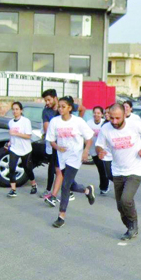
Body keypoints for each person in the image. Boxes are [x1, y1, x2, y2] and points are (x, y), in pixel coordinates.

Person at [96, 103, 141, 240]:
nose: (114, 122)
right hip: (117, 171)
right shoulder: (106, 128)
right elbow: (99, 144)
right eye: (112, 118)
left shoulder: (134, 125)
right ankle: (130, 226)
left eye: (118, 118)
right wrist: (100, 151)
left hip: (135, 169)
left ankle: (133, 225)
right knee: (120, 206)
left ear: (124, 115)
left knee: (126, 199)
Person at [45, 96, 96, 228]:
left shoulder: (78, 122)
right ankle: (87, 191)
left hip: (75, 156)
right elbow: (51, 140)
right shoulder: (54, 122)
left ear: (69, 108)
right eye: (59, 106)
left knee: (65, 185)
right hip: (62, 156)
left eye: (63, 106)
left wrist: (86, 151)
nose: (60, 109)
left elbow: (89, 137)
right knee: (70, 184)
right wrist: (57, 147)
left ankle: (61, 216)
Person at [41, 88, 85, 206]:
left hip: (69, 148)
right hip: (56, 145)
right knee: (59, 171)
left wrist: (78, 123)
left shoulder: (67, 106)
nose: (47, 103)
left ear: (55, 98)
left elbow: (82, 108)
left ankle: (55, 196)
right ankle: (70, 190)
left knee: (59, 171)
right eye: (45, 101)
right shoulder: (47, 112)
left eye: (49, 100)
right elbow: (47, 129)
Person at [6, 102, 36, 197]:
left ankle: (33, 184)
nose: (15, 111)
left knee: (27, 168)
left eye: (17, 109)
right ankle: (13, 189)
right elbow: (11, 137)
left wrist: (16, 134)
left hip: (25, 149)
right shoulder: (10, 122)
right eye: (13, 109)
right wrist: (9, 143)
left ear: (21, 110)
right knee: (11, 168)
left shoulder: (26, 121)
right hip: (14, 148)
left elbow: (28, 136)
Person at [87, 106, 111, 195]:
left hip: (103, 150)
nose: (96, 115)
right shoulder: (89, 123)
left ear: (102, 114)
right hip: (93, 150)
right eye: (95, 112)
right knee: (100, 169)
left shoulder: (104, 124)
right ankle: (104, 185)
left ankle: (104, 187)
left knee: (103, 169)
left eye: (98, 113)